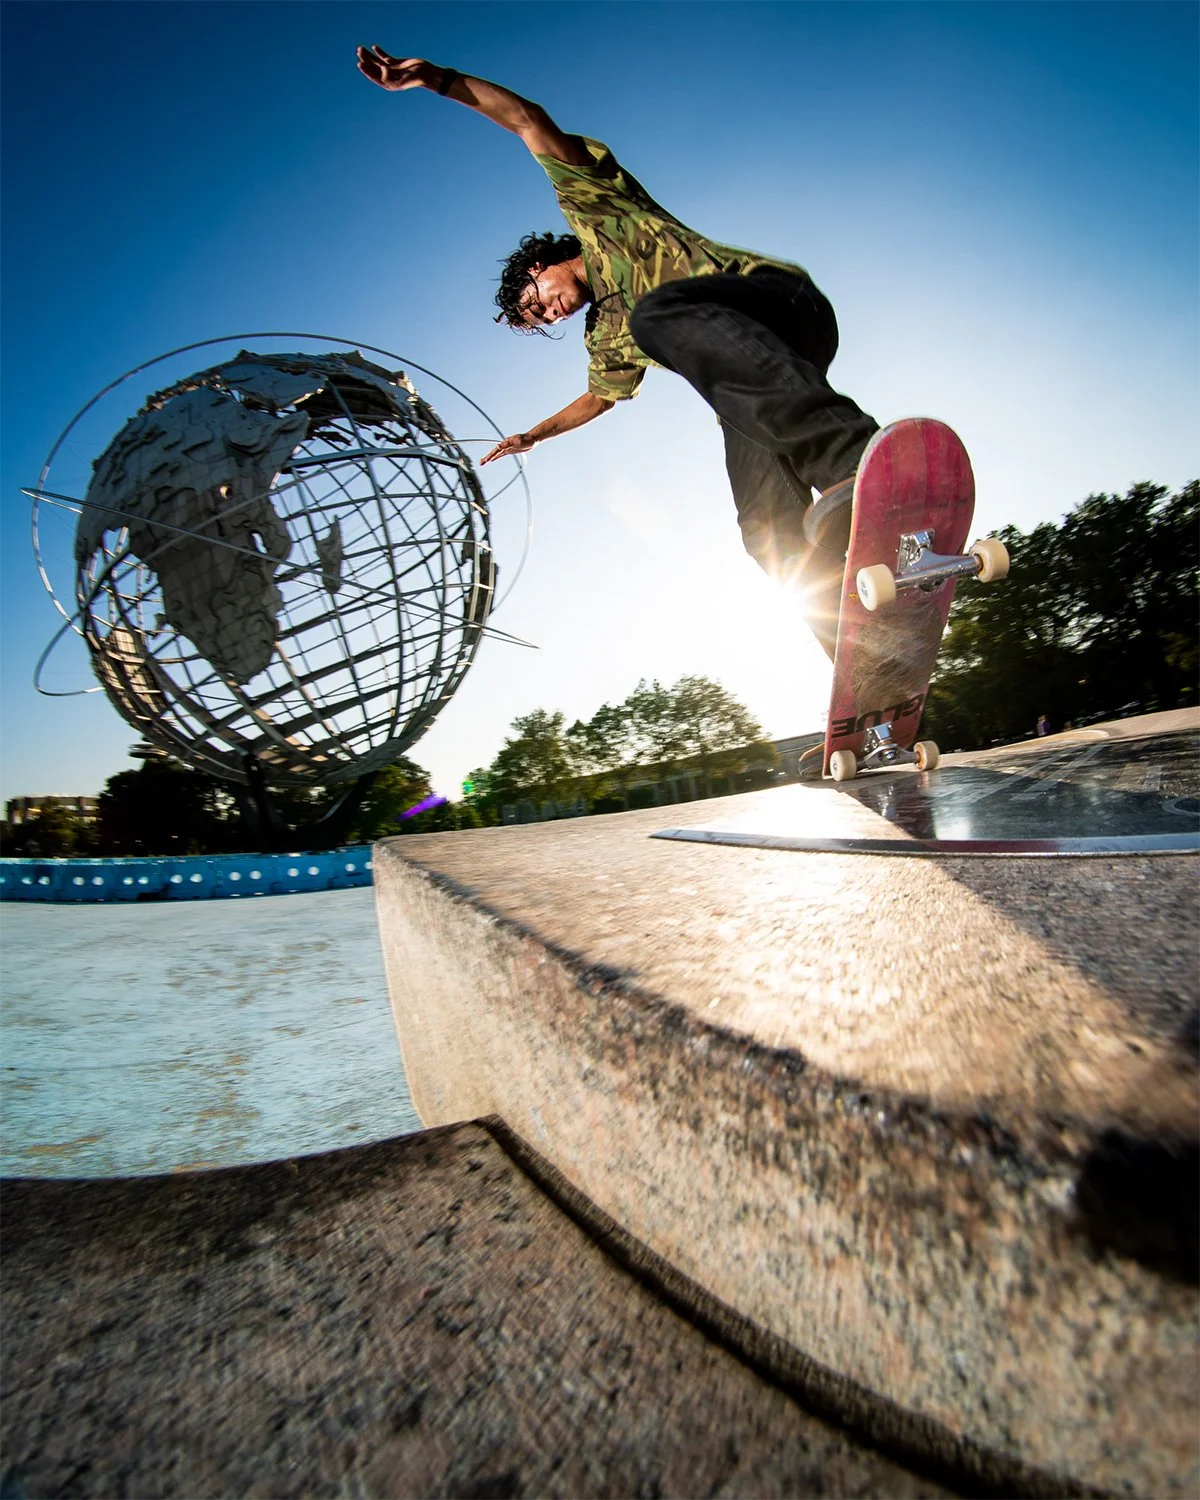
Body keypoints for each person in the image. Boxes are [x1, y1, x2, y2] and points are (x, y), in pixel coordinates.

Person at [356, 46, 880, 657]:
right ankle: (861, 658)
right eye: (540, 320)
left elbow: (527, 120)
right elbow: (600, 398)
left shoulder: (595, 208)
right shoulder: (606, 334)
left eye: (537, 301)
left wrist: (437, 81)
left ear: (540, 264)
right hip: (761, 384)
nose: (550, 313)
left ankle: (854, 459)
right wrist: (534, 435)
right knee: (764, 532)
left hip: (778, 302)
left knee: (658, 314)